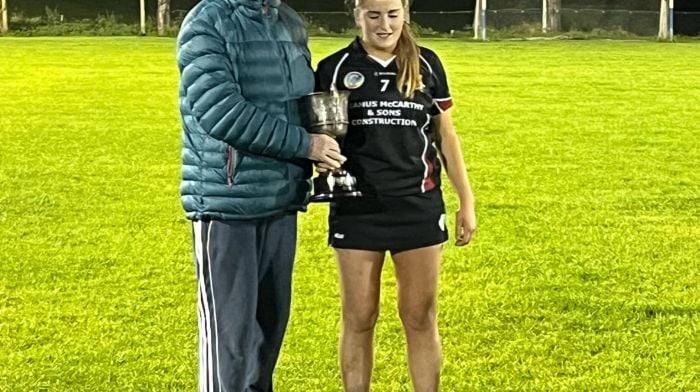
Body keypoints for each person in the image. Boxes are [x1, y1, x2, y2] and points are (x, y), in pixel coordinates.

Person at [176, 0, 345, 391]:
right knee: (229, 342)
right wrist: (306, 146)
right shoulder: (209, 20)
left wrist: (326, 143)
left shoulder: (287, 21)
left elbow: (299, 102)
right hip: (227, 202)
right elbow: (219, 111)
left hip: (281, 199)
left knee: (267, 334)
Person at [314, 0, 477, 390]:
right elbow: (322, 132)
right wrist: (322, 153)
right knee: (359, 316)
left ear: (405, 13)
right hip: (357, 208)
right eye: (373, 15)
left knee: (419, 316)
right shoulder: (333, 68)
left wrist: (466, 201)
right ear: (357, 16)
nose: (383, 25)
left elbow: (446, 137)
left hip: (417, 206)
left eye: (392, 14)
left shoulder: (428, 64)